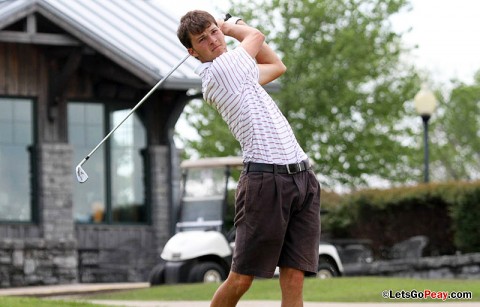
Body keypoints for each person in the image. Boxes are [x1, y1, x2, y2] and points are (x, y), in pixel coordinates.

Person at [177, 10, 321, 307]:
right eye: (203, 39)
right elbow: (256, 37)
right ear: (192, 52)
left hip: (302, 177)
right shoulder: (218, 72)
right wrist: (232, 25)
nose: (214, 40)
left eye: (214, 32)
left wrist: (231, 27)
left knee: (294, 276)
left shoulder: (239, 71)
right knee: (242, 277)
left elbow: (276, 65)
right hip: (265, 180)